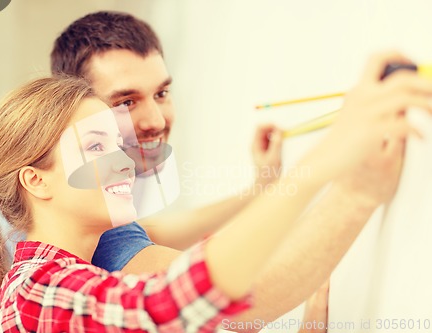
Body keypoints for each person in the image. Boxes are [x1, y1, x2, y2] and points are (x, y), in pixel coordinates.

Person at [0, 50, 432, 332]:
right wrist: (341, 169)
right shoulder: (38, 288)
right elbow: (175, 303)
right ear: (35, 179)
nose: (123, 161)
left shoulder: (78, 267)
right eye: (96, 146)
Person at [50, 11, 417, 330]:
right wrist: (358, 191)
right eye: (126, 102)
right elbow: (236, 299)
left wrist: (261, 190)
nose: (156, 120)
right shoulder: (73, 235)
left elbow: (156, 232)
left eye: (161, 93)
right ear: (72, 113)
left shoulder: (90, 210)